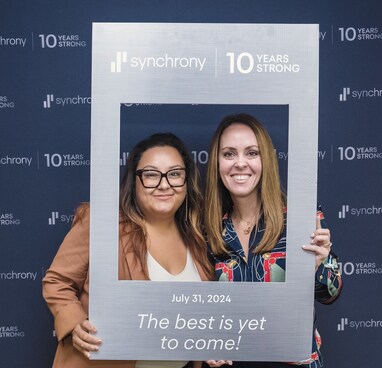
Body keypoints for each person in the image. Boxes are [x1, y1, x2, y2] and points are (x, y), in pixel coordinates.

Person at [42, 133, 214, 368]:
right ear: (135, 181)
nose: (164, 184)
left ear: (186, 180)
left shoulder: (196, 237)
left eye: (174, 174)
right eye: (151, 175)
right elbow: (56, 281)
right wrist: (75, 324)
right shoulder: (102, 223)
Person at [204, 114, 342, 368]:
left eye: (252, 153)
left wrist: (320, 265)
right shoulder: (206, 228)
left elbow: (330, 294)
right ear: (216, 162)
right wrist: (204, 341)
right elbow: (196, 308)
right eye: (229, 154)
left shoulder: (299, 216)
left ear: (265, 159)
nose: (240, 163)